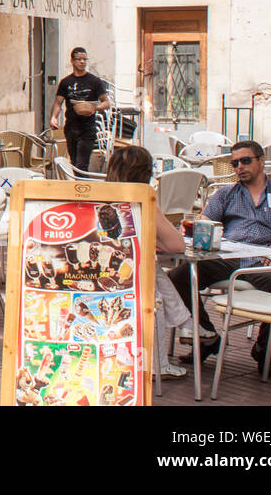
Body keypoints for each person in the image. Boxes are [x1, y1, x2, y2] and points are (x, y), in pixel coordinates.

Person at [167, 139, 271, 373]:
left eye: (246, 161)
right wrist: (202, 229)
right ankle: (207, 335)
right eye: (235, 162)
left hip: (264, 261)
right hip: (227, 258)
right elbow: (207, 221)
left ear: (261, 161)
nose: (239, 166)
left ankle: (264, 349)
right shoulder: (226, 193)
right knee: (178, 278)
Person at [105, 145, 190, 378]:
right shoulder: (142, 200)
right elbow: (177, 246)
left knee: (155, 273)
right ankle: (165, 356)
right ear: (146, 172)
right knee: (154, 285)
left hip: (100, 275)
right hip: (131, 281)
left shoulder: (100, 196)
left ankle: (189, 324)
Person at [49, 47, 110, 172]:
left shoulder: (94, 81)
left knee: (81, 165)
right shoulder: (66, 82)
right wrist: (54, 117)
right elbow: (58, 103)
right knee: (74, 162)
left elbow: (107, 102)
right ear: (72, 61)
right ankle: (78, 188)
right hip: (71, 128)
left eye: (84, 59)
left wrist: (95, 108)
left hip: (87, 128)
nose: (82, 62)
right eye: (79, 59)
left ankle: (82, 189)